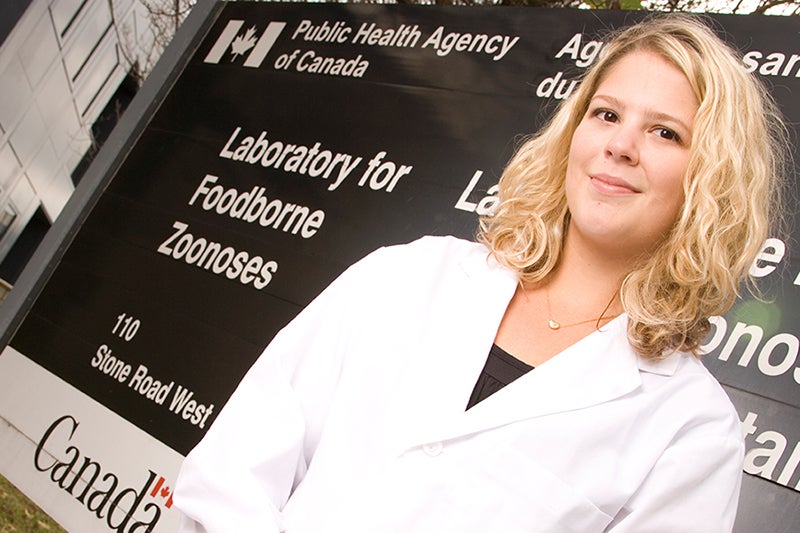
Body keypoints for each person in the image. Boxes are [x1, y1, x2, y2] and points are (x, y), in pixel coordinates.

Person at [173, 13, 786, 533]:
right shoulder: (411, 274)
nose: (621, 145)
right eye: (605, 114)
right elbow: (233, 469)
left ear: (709, 181)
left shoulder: (691, 431)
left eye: (664, 132)